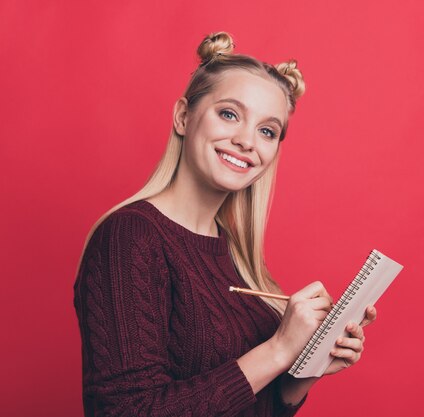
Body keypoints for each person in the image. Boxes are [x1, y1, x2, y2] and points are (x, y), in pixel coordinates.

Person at [73, 31, 377, 417]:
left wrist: (302, 372)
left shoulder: (233, 253)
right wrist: (277, 349)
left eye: (267, 131)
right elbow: (127, 411)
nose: (247, 141)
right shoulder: (129, 237)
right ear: (184, 116)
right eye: (229, 114)